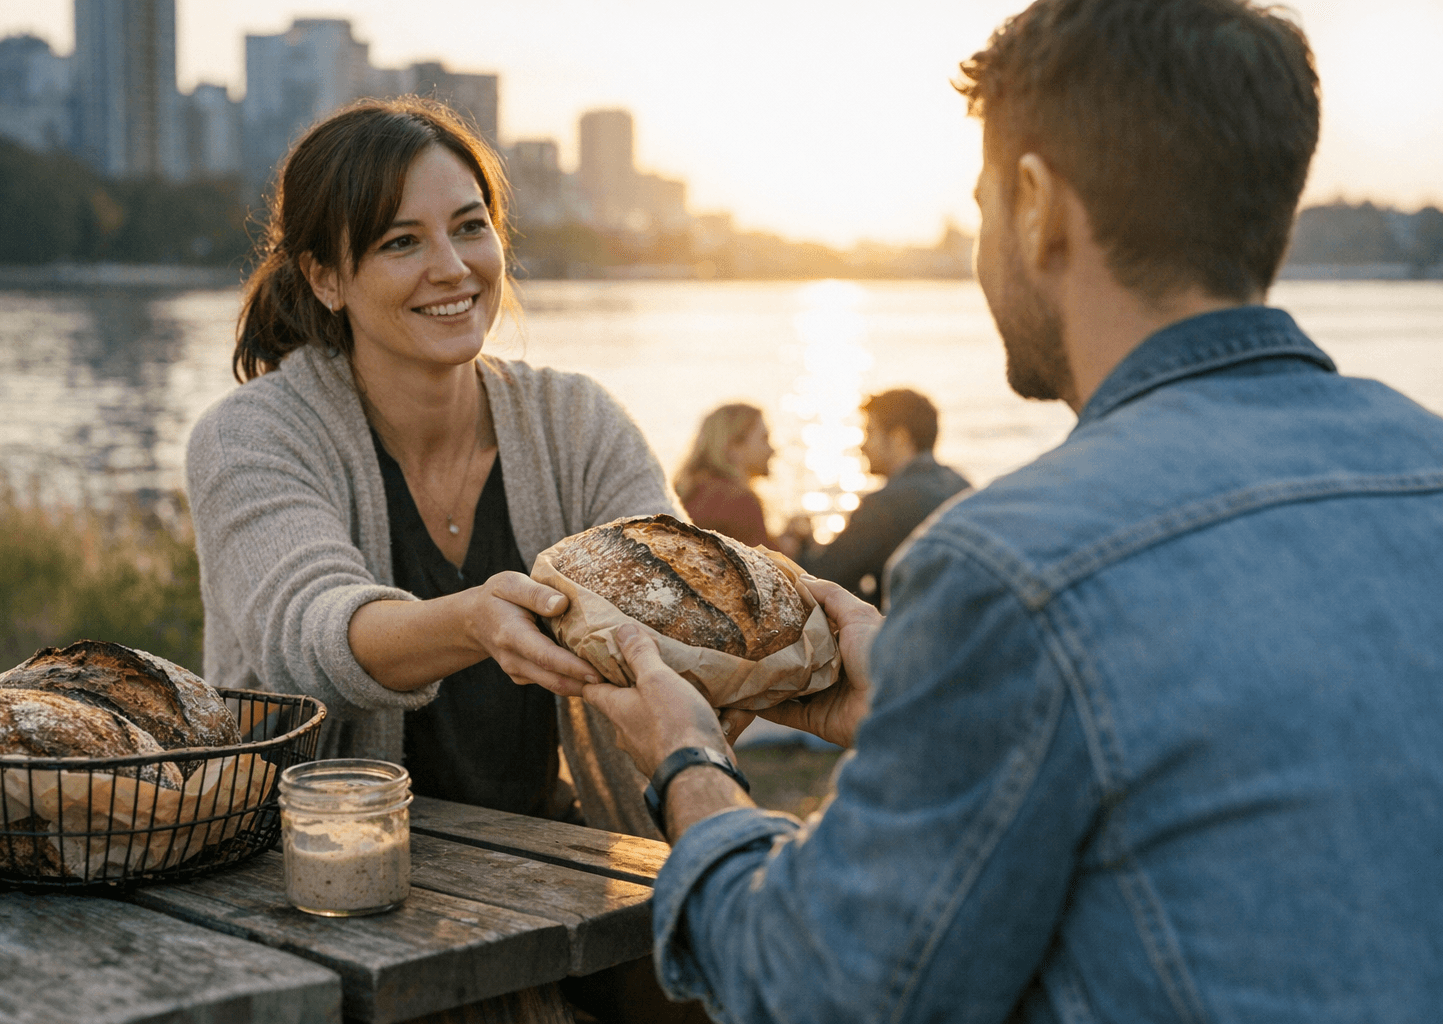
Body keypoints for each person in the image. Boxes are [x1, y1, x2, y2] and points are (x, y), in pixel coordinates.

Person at [565, 1, 1443, 1021]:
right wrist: (914, 695)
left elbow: (818, 989)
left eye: (982, 201)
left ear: (1035, 205)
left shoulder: (1011, 567)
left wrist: (689, 764)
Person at [185, 97, 680, 838]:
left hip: (563, 863)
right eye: (400, 242)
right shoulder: (251, 435)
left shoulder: (577, 421)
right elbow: (305, 647)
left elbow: (676, 590)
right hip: (313, 869)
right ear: (326, 278)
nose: (451, 269)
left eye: (470, 227)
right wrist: (474, 622)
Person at [794, 388, 969, 606]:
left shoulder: (884, 505)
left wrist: (801, 544)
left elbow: (822, 580)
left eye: (870, 432)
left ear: (899, 439)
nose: (862, 444)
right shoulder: (962, 487)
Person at [673, 403, 794, 552]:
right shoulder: (740, 502)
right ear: (734, 447)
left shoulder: (685, 493)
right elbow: (765, 570)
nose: (773, 449)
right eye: (764, 438)